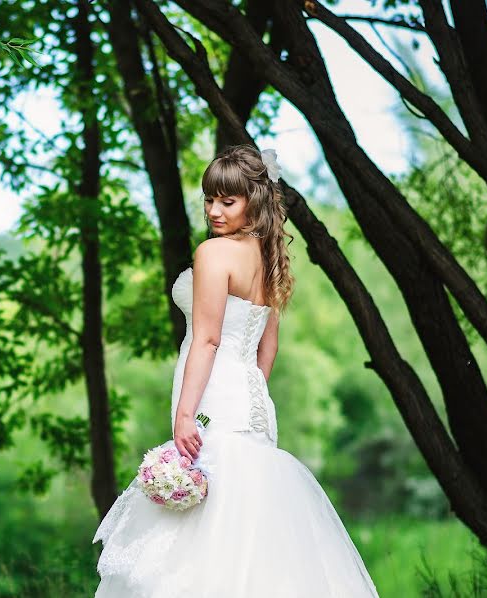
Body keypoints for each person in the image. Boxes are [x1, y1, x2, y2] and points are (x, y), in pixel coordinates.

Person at [92, 145, 379, 597]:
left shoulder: (213, 253)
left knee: (204, 534)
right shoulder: (268, 258)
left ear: (255, 202)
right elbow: (268, 347)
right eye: (210, 200)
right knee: (245, 525)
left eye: (228, 201)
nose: (215, 211)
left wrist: (186, 414)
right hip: (250, 400)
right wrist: (250, 393)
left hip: (209, 395)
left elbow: (206, 339)